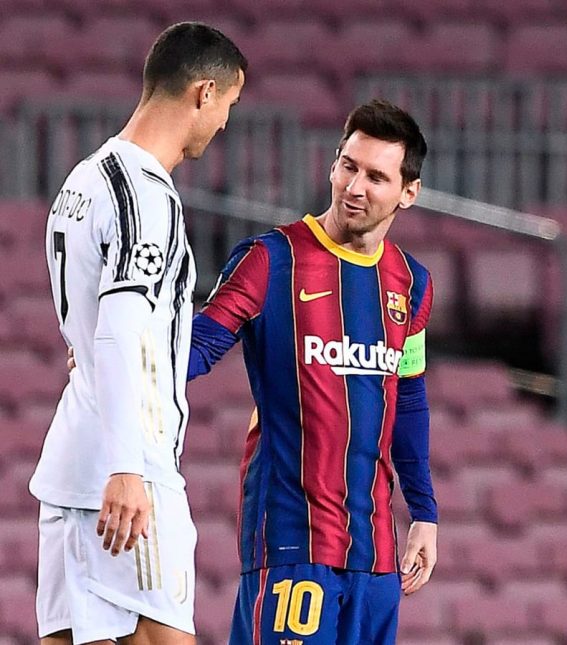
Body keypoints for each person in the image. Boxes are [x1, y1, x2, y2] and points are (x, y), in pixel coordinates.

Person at [186, 99, 438, 644]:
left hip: (376, 558)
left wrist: (424, 511)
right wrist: (117, 360)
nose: (355, 187)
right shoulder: (269, 260)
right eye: (348, 166)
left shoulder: (412, 284)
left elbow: (408, 398)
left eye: (376, 177)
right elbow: (197, 350)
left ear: (408, 192)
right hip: (291, 543)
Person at [29, 22, 246, 645]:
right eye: (229, 105)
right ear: (204, 92)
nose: (224, 124)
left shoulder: (82, 180)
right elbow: (118, 331)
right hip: (128, 468)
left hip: (73, 466)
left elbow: (88, 329)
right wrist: (127, 466)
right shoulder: (146, 196)